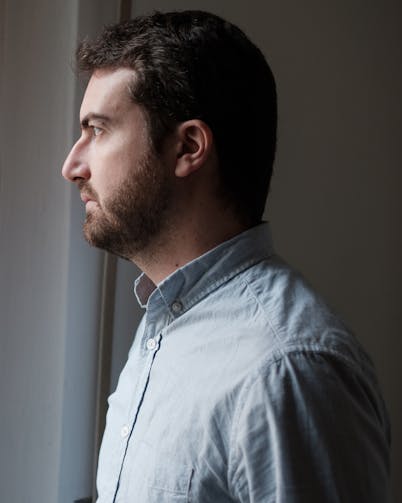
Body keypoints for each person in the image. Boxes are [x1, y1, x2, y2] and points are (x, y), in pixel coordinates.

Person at [61, 10, 391, 503]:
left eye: (99, 130)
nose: (72, 165)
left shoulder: (287, 370)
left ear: (188, 147)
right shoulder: (167, 322)